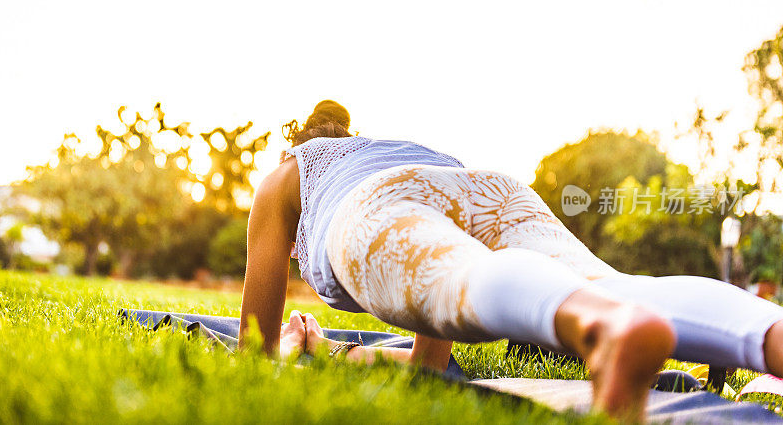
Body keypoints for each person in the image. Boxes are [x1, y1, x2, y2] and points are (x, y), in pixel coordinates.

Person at [239, 100, 783, 421]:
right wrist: (339, 351)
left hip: (375, 204)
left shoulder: (288, 176)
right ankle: (771, 333)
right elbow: (427, 365)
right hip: (488, 187)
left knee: (467, 277)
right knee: (612, 283)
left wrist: (297, 345)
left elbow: (253, 354)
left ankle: (606, 330)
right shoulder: (392, 147)